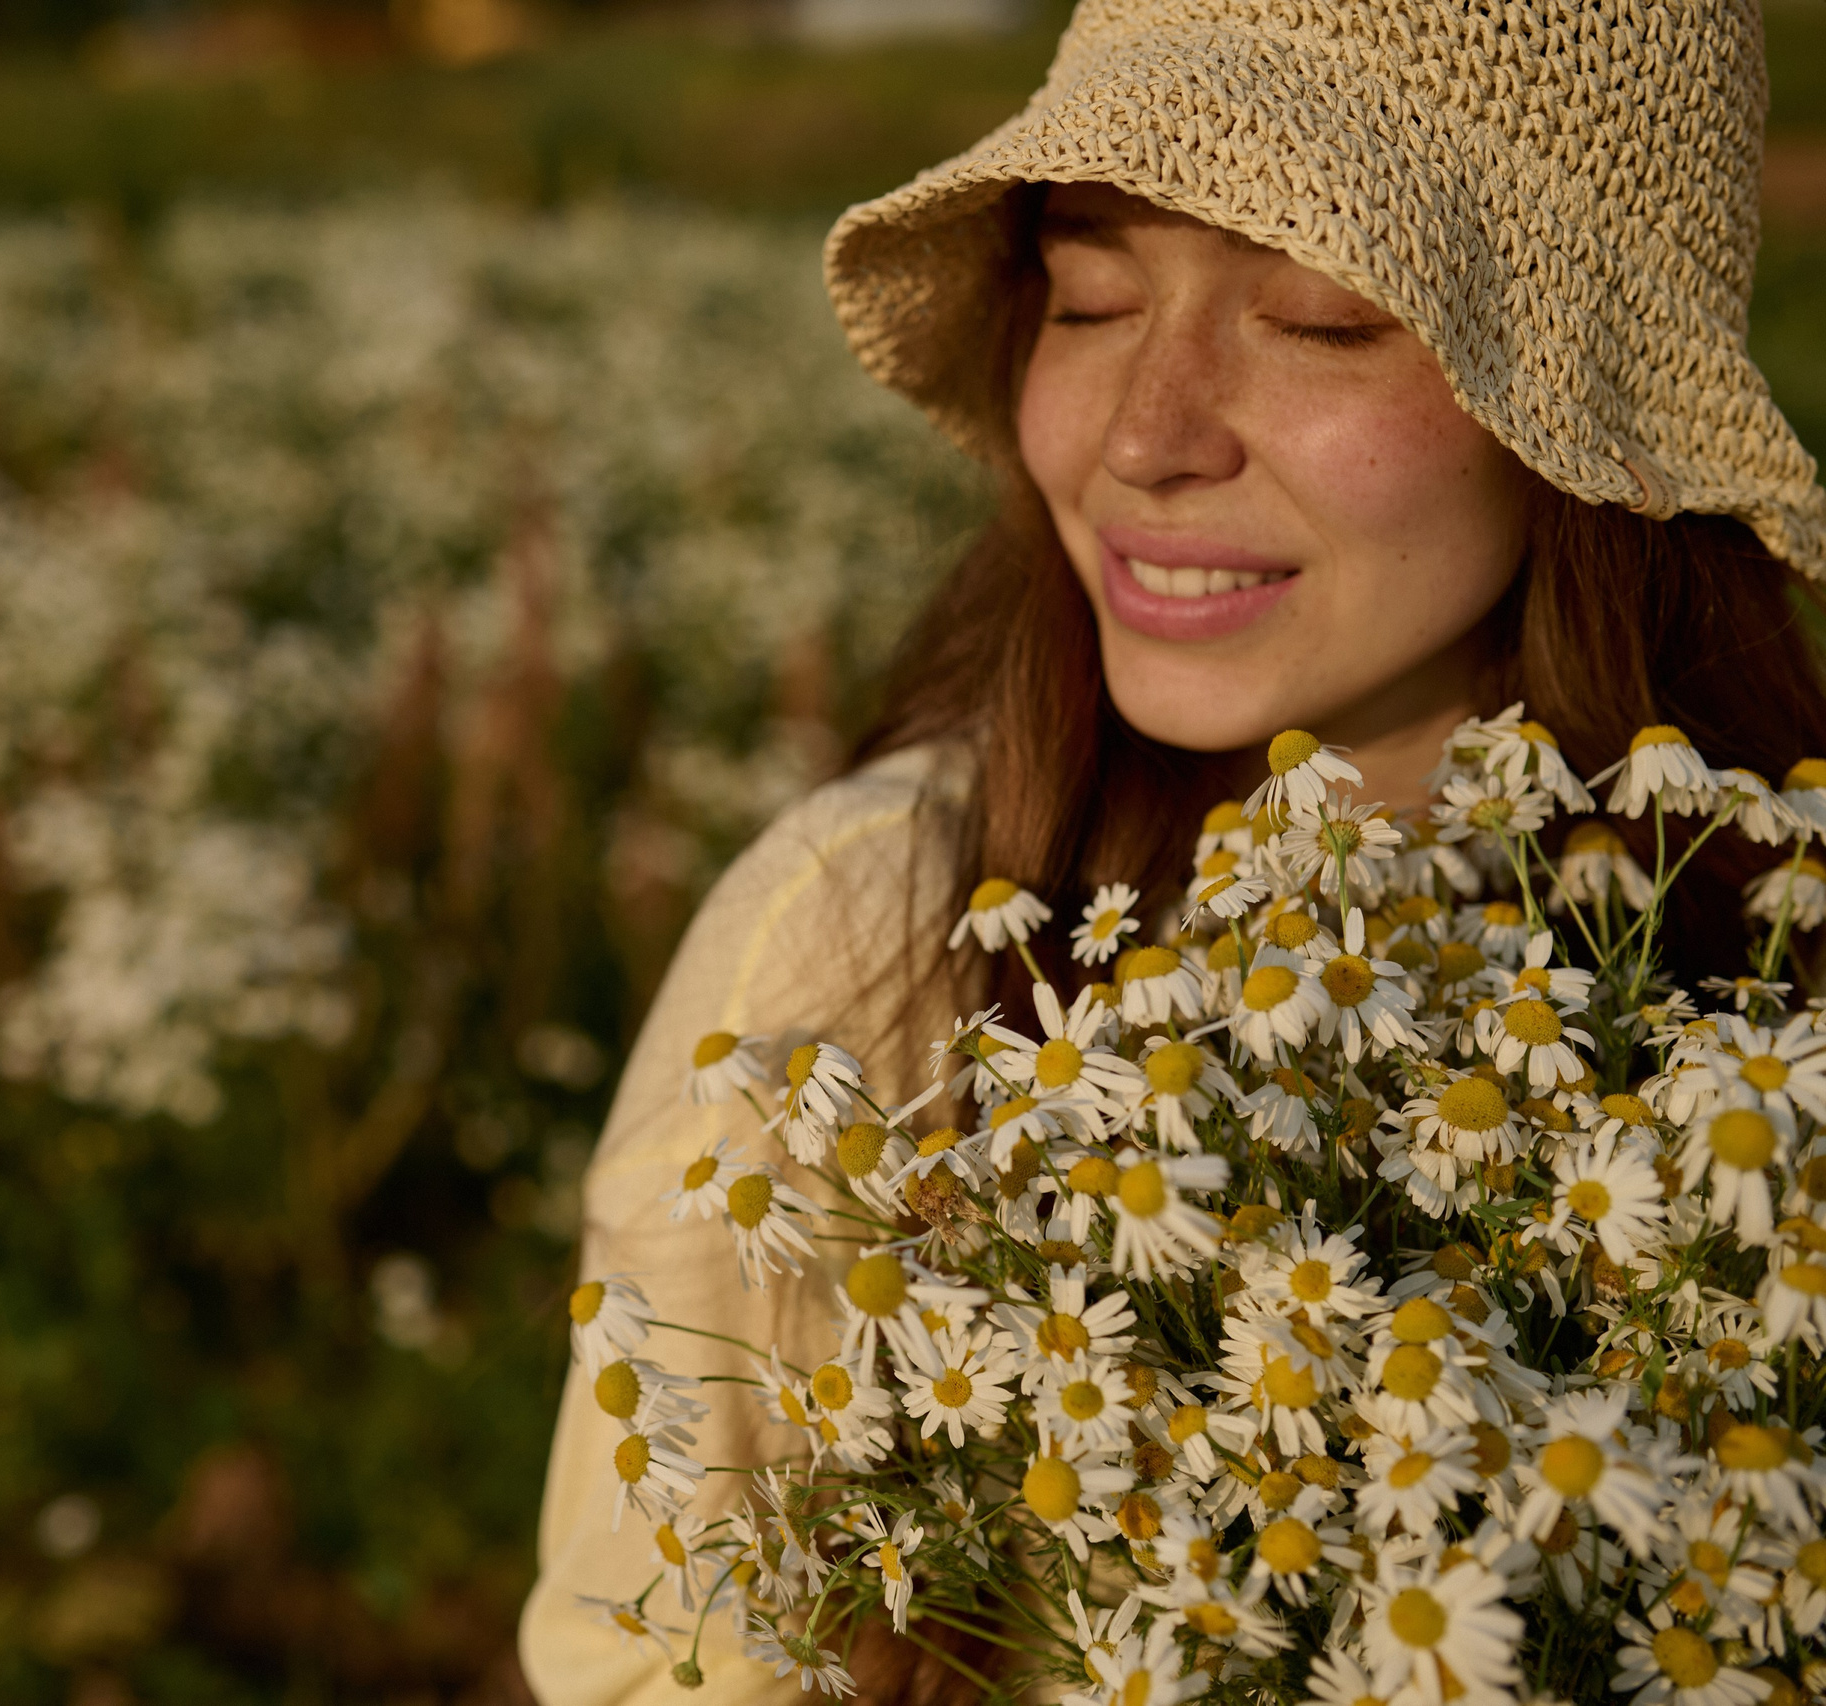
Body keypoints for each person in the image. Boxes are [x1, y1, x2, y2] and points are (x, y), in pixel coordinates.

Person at [520, 0, 1826, 1701]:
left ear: (1591, 405)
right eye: (1092, 297)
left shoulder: (1762, 977)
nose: (1148, 433)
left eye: (1320, 318)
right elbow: (654, 1665)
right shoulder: (862, 945)